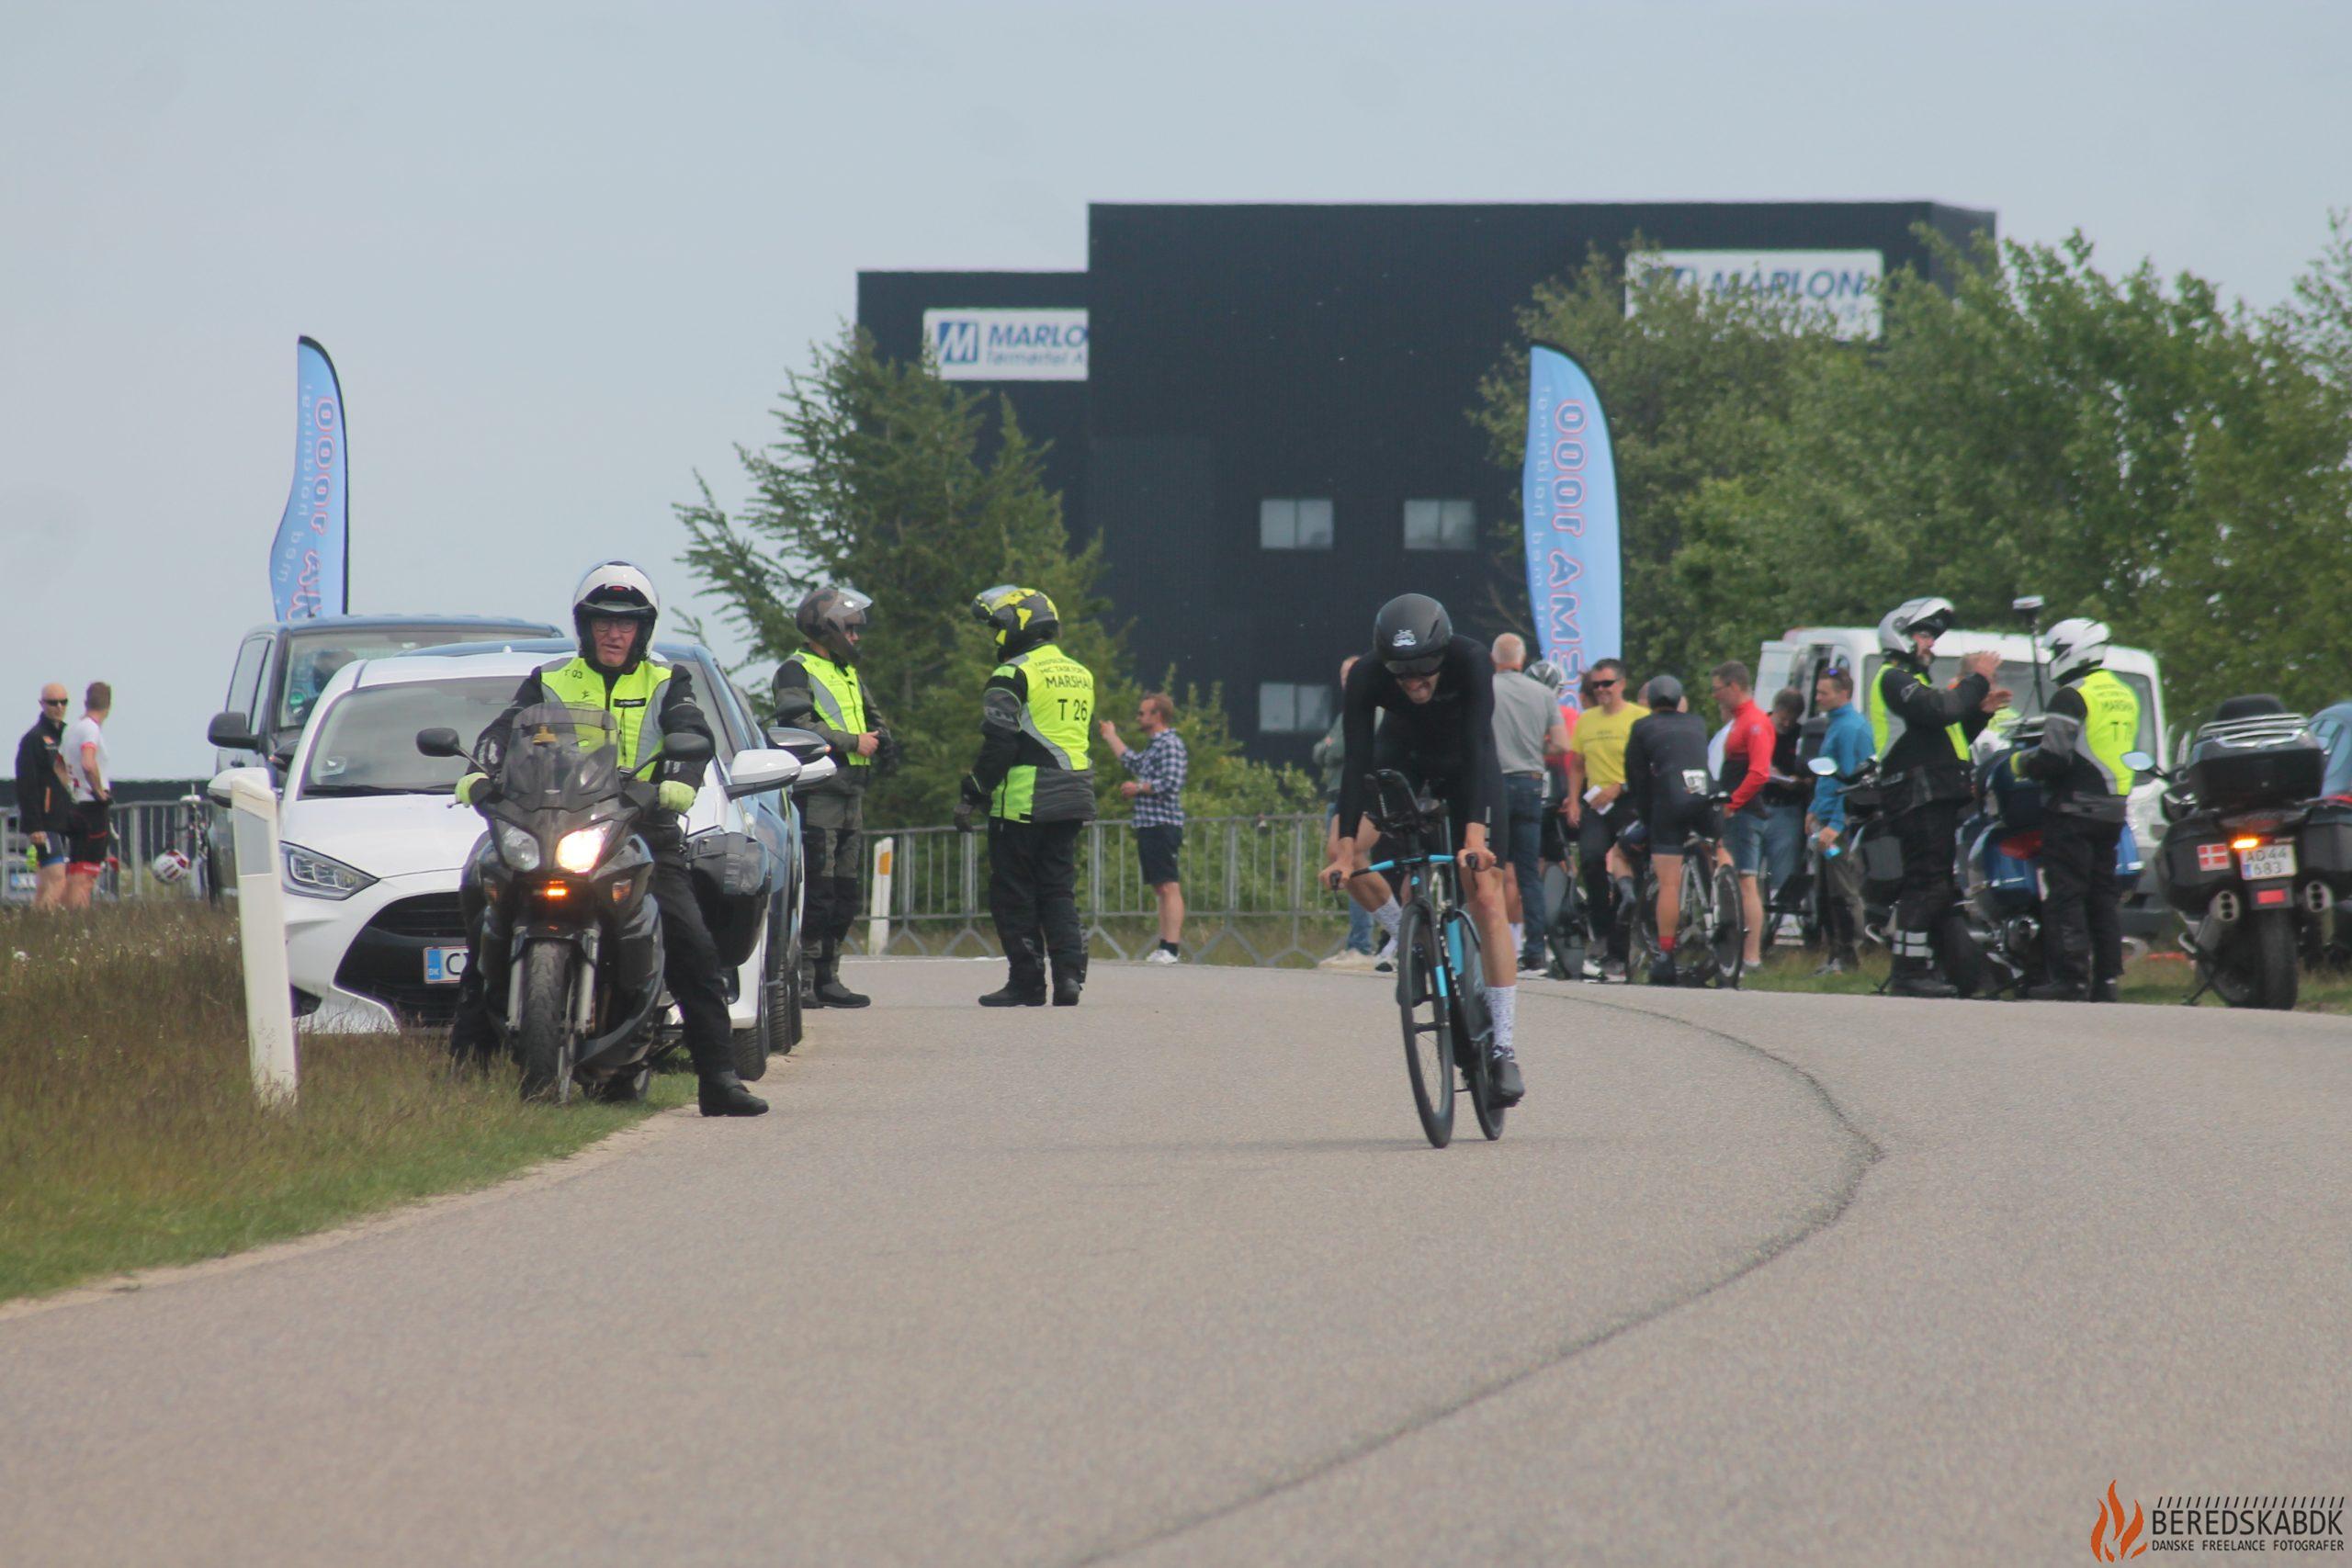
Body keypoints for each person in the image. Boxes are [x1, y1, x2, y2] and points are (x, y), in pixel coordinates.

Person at [448, 561, 766, 1117]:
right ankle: (463, 1071)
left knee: (691, 941)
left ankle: (718, 1078)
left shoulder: (667, 681)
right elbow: (506, 730)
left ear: (643, 629)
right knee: (485, 908)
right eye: (602, 621)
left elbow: (692, 732)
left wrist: (679, 783)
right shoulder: (551, 679)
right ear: (584, 626)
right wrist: (483, 769)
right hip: (555, 819)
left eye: (626, 623)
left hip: (640, 823)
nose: (613, 633)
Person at [1319, 594, 1523, 1106]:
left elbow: (1479, 745)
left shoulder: (1471, 659)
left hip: (1465, 765)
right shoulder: (1368, 676)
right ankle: (1408, 935)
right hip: (1401, 759)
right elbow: (1357, 762)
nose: (1414, 683)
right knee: (1343, 848)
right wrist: (1345, 852)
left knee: (1486, 891)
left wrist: (1474, 836)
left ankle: (1503, 1046)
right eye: (1401, 674)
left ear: (1442, 653)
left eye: (1423, 671)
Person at [956, 585, 1096, 1008]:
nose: (994, 636)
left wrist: (973, 794)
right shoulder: (1080, 672)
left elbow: (1001, 744)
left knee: (1014, 892)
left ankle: (1028, 981)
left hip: (1024, 799)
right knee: (1058, 889)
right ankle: (1069, 977)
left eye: (996, 627)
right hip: (1074, 793)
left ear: (1017, 625)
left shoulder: (1012, 674)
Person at [1871, 596, 2010, 998]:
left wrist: (1980, 712)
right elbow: (1940, 710)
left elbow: (1950, 738)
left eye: (1932, 636)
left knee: (1942, 891)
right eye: (1923, 634)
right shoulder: (1893, 678)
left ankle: (1971, 979)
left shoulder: (1915, 684)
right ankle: (1909, 972)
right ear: (1900, 636)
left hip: (1933, 793)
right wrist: (1978, 679)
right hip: (1916, 796)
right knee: (1925, 886)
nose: (1930, 644)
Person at [772, 584, 887, 1010]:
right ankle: (799, 978)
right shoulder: (795, 670)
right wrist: (852, 741)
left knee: (845, 893)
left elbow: (873, 717)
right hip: (818, 793)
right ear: (828, 627)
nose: (856, 638)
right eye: (851, 630)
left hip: (852, 794)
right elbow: (796, 725)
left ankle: (829, 976)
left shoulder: (848, 672)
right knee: (816, 892)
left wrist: (882, 737)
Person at [2013, 617, 2140, 1002]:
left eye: (2055, 652)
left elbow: (2053, 757)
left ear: (2070, 651)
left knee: (2066, 893)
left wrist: (2020, 764)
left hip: (2073, 809)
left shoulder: (2071, 695)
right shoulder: (2124, 692)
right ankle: (2106, 980)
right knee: (2102, 895)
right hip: (2113, 810)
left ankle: (2070, 978)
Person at [1617, 675, 1715, 986]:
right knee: (1720, 845)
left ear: (1650, 702)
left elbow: (1637, 780)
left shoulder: (1643, 727)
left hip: (1669, 803)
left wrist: (1648, 817)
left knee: (1669, 883)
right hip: (1703, 796)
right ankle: (1724, 901)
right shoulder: (1698, 723)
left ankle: (1665, 955)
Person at [1488, 634, 1570, 976]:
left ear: (1494, 659)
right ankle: (1536, 954)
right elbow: (1562, 745)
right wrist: (1537, 753)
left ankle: (1495, 946)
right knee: (1528, 874)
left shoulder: (1486, 688)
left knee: (1490, 869)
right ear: (1522, 661)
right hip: (1530, 783)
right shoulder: (1542, 693)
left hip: (1493, 782)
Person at [1563, 657, 1645, 981]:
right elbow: (1577, 764)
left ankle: (1623, 946)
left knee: (1630, 869)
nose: (1601, 691)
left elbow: (1647, 765)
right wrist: (1572, 799)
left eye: (1607, 684)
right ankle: (1601, 932)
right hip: (1596, 805)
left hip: (1629, 801)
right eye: (1596, 685)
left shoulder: (1639, 718)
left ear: (1622, 685)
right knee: (1592, 860)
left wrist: (1620, 786)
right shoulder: (1587, 720)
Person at [1101, 692, 1188, 964]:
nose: (1138, 717)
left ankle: (1171, 948)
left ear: (1157, 715)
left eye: (1142, 713)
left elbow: (1171, 782)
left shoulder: (1170, 743)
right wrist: (1110, 736)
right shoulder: (1154, 745)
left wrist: (1138, 788)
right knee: (1160, 887)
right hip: (1149, 824)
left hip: (1163, 823)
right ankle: (1164, 945)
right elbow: (1134, 762)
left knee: (1169, 885)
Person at [1312, 656, 1382, 968]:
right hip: (1338, 794)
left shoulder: (1373, 710)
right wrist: (1329, 747)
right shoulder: (1345, 714)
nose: (1346, 681)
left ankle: (1363, 943)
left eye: (1351, 675)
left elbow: (1339, 750)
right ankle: (1364, 940)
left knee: (1354, 860)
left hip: (1359, 796)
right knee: (1340, 859)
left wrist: (1330, 747)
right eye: (1342, 675)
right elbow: (1320, 752)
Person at [1805, 667, 1873, 975]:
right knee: (1826, 891)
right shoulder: (1835, 724)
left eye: (1824, 693)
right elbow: (1827, 776)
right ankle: (1835, 955)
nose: (1818, 698)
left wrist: (1835, 824)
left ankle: (1850, 956)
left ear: (1843, 694)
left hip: (1838, 829)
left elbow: (1851, 783)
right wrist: (1814, 810)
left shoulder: (1849, 729)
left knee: (1843, 890)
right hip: (1825, 820)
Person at [1710, 661, 1775, 973]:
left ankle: (1751, 957)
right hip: (1736, 811)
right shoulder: (1739, 721)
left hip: (1746, 813)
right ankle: (1737, 952)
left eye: (1717, 689)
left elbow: (1759, 772)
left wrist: (1733, 803)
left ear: (1734, 686)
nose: (1714, 696)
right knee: (1736, 880)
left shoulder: (1755, 722)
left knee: (1747, 881)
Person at [14, 683, 74, 910]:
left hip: (64, 817)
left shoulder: (68, 735)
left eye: (63, 702)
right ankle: (48, 929)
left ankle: (34, 930)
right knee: (57, 879)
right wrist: (34, 825)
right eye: (53, 702)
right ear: (42, 704)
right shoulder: (34, 739)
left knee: (44, 883)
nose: (59, 707)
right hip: (45, 821)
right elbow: (26, 785)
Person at [1758, 686, 1810, 925]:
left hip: (1787, 808)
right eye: (1783, 718)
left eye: (1793, 719)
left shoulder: (1801, 735)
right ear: (1775, 710)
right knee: (1748, 871)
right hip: (1758, 804)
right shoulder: (1759, 728)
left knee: (1785, 871)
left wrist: (1801, 781)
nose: (1787, 724)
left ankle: (1782, 926)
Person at [60, 682, 114, 910]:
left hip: (75, 804)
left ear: (85, 702)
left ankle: (69, 917)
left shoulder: (71, 728)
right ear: (109, 705)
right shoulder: (91, 728)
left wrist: (71, 789)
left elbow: (58, 764)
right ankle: (79, 918)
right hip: (91, 806)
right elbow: (88, 762)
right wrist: (99, 791)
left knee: (76, 867)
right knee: (87, 874)